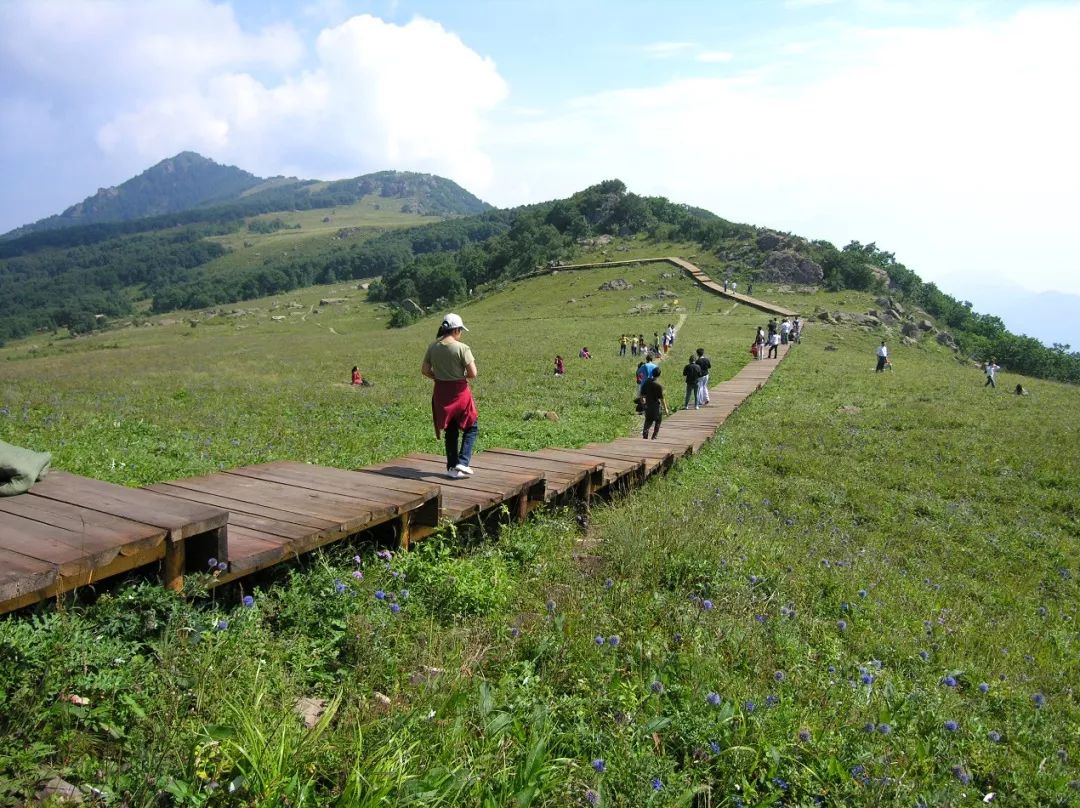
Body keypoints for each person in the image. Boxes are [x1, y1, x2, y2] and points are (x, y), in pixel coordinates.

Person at [421, 313, 479, 479]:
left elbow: (425, 370)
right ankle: (463, 461)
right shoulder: (462, 348)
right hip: (459, 392)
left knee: (451, 429)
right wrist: (457, 377)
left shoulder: (433, 347)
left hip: (441, 391)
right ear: (456, 330)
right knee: (471, 425)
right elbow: (473, 373)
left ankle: (452, 467)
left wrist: (439, 377)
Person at [640, 367, 669, 440]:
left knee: (648, 420)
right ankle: (654, 436)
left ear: (652, 373)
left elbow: (642, 395)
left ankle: (645, 433)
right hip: (656, 406)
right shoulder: (659, 386)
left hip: (648, 405)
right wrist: (665, 409)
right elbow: (662, 399)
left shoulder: (646, 382)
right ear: (659, 375)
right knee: (658, 420)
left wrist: (643, 404)